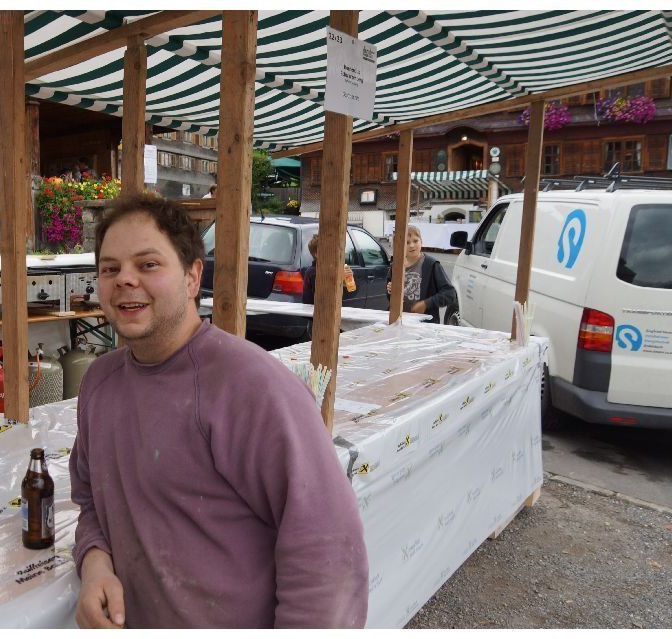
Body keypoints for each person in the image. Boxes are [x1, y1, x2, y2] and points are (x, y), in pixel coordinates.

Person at [70, 193, 369, 629]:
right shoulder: (99, 383)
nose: (125, 280)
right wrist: (95, 561)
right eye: (110, 269)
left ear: (193, 277)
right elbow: (89, 501)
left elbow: (328, 553)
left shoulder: (253, 388)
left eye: (148, 264)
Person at [386, 225, 457, 323]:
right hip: (399, 321)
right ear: (400, 246)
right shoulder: (396, 266)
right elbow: (390, 297)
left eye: (415, 241)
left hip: (424, 324)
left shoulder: (431, 265)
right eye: (407, 242)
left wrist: (426, 304)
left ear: (421, 242)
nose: (412, 245)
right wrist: (390, 291)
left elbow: (450, 293)